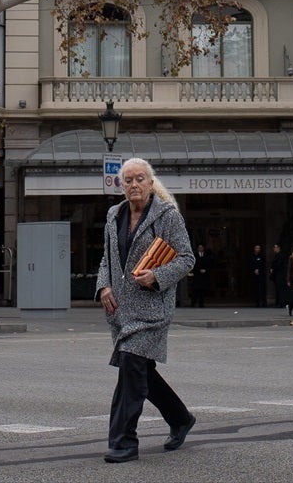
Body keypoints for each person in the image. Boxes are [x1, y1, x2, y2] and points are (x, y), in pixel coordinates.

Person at [94, 157, 196, 464]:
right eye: (128, 180)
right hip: (121, 310)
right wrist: (103, 287)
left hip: (153, 308)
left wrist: (157, 276)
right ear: (120, 185)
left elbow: (187, 259)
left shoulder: (167, 216)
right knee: (140, 372)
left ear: (150, 184)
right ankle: (180, 418)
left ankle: (124, 442)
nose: (134, 184)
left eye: (140, 179)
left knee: (131, 368)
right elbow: (106, 260)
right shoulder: (114, 215)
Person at [269, 242, 288, 309]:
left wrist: (273, 269)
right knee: (278, 289)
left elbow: (278, 265)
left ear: (279, 248)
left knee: (280, 289)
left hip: (280, 275)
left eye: (276, 247)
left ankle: (281, 303)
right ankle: (279, 302)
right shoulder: (276, 255)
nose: (274, 249)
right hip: (277, 275)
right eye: (274, 248)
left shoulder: (280, 255)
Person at [250, 244, 268, 308]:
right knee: (256, 289)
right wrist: (254, 270)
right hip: (254, 275)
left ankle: (263, 302)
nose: (257, 249)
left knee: (262, 289)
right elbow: (250, 265)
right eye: (256, 248)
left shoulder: (262, 256)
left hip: (261, 275)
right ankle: (257, 302)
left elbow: (263, 265)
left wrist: (259, 270)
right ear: (254, 249)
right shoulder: (252, 256)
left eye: (258, 248)